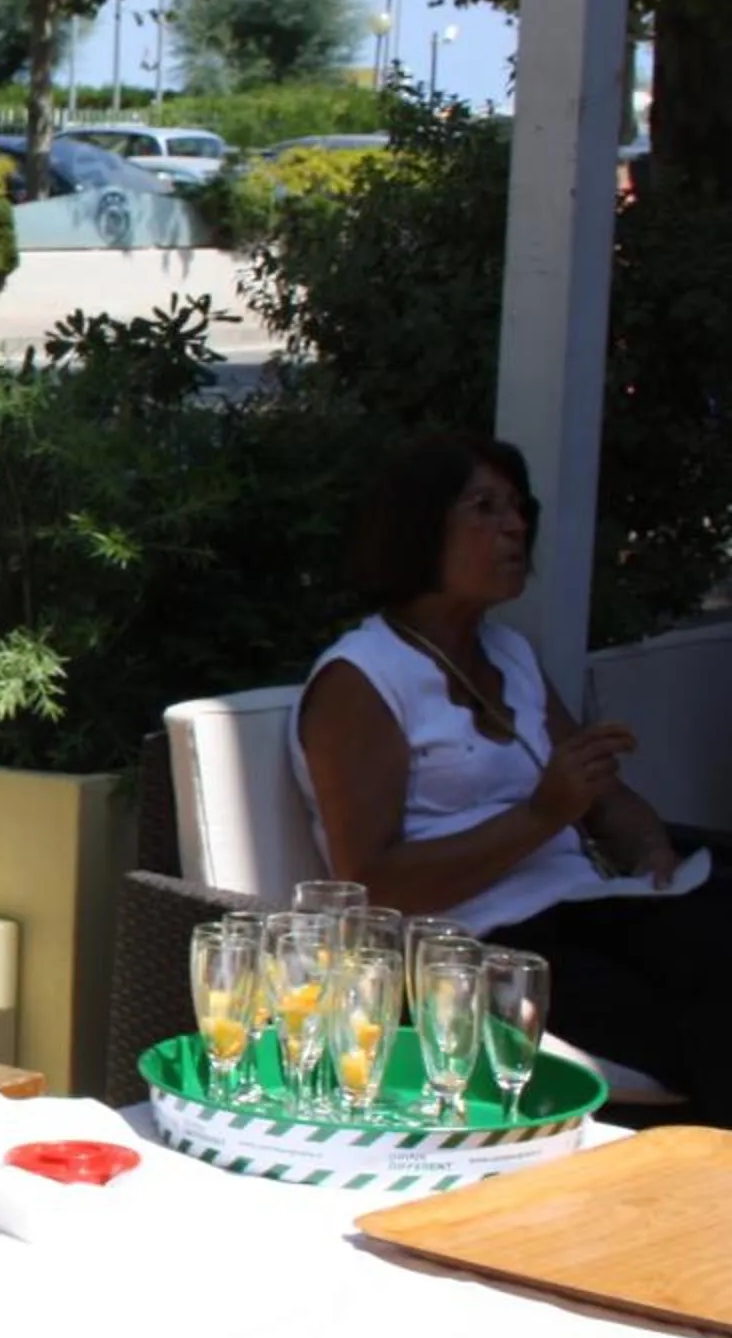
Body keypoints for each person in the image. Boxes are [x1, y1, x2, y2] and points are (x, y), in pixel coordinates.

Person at [290, 430, 729, 1120]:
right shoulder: (362, 679)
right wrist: (541, 817)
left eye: (518, 507)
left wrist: (649, 851)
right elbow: (371, 887)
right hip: (475, 955)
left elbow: (600, 795)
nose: (515, 525)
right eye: (485, 507)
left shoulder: (509, 654)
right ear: (421, 528)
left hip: (585, 911)